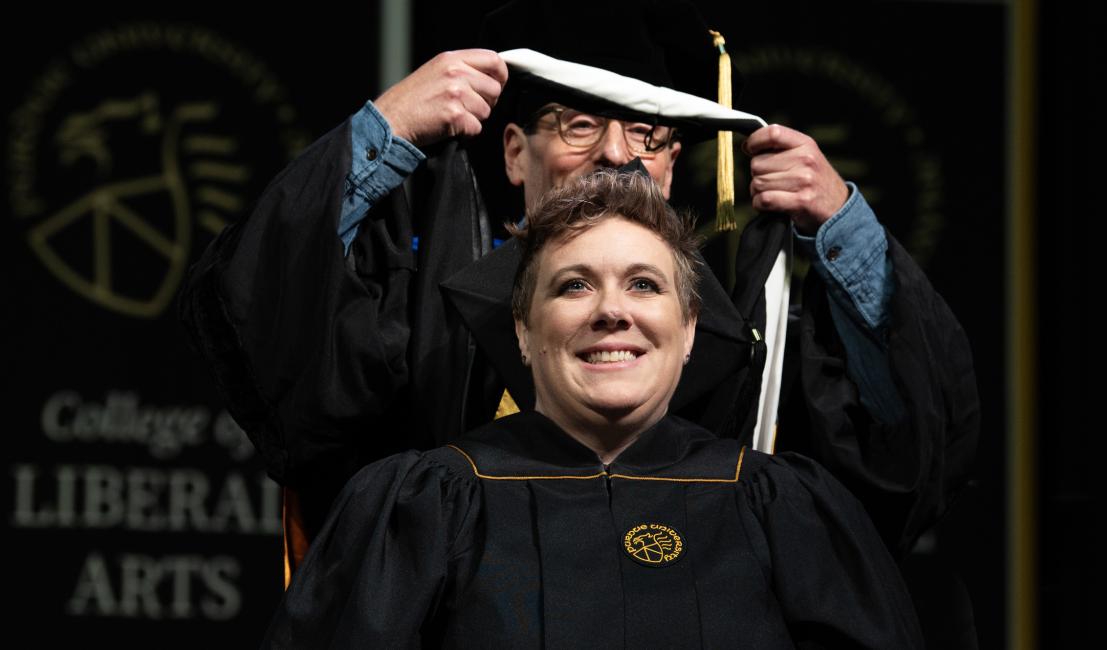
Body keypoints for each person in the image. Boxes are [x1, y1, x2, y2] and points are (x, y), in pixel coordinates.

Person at [180, 1, 977, 584]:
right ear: (514, 154)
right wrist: (383, 128)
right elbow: (268, 317)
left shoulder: (746, 341)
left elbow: (901, 461)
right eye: (578, 125)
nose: (619, 157)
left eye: (650, 136)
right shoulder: (424, 310)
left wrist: (843, 225)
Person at [262, 169, 924, 648]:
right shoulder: (424, 506)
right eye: (574, 285)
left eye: (644, 283)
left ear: (689, 326)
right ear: (522, 329)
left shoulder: (779, 506)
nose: (613, 311)